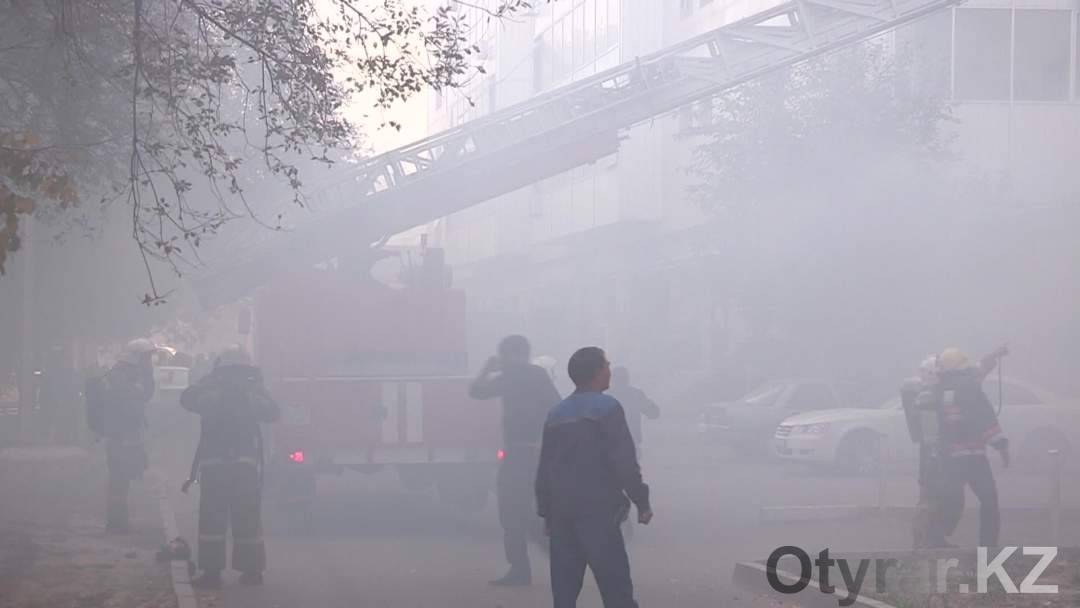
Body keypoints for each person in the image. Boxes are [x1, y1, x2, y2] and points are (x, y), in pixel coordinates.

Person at [536, 347, 652, 608]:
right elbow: (624, 462)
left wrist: (545, 511)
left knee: (564, 592)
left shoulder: (557, 413)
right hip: (598, 510)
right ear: (597, 372)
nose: (609, 370)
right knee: (616, 588)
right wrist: (641, 501)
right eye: (607, 365)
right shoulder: (608, 408)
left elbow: (545, 467)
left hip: (562, 512)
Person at [180, 347, 279, 588]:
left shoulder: (212, 392)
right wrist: (256, 386)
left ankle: (212, 573)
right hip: (244, 467)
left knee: (212, 520)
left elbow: (187, 399)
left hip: (215, 466)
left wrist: (209, 382)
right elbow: (273, 412)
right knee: (247, 519)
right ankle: (253, 571)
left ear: (219, 370)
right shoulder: (252, 392)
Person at [470, 335, 562, 587]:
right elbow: (557, 406)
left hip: (519, 454)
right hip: (536, 452)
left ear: (510, 355)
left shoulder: (512, 375)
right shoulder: (536, 375)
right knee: (525, 512)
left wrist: (487, 370)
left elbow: (476, 391)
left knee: (512, 511)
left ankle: (524, 568)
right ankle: (552, 558)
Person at [925, 347, 1010, 548]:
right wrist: (1001, 446)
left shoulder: (939, 389)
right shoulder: (970, 387)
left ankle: (935, 538)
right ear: (962, 368)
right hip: (974, 458)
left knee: (951, 500)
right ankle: (988, 546)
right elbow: (985, 418)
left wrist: (990, 357)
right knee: (989, 501)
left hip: (949, 458)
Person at [87, 339, 156, 533]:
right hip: (120, 435)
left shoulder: (129, 375)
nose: (149, 362)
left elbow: (144, 395)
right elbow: (133, 402)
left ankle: (119, 520)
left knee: (123, 477)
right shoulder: (121, 377)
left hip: (125, 434)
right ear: (136, 357)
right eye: (147, 357)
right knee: (119, 478)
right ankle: (116, 522)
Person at [607, 367, 660, 449]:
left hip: (610, 445)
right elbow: (653, 413)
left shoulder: (605, 395)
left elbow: (654, 413)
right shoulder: (636, 395)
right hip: (630, 443)